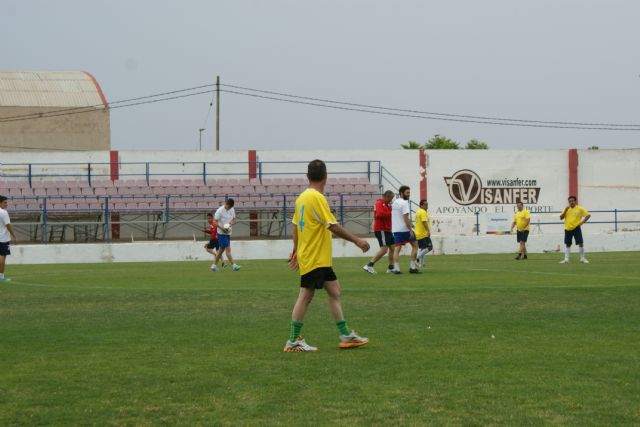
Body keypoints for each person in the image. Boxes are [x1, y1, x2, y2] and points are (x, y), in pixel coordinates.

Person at [284, 159, 370, 352]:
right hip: (315, 256)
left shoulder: (301, 198)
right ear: (326, 177)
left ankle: (345, 335)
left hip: (315, 256)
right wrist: (357, 240)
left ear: (307, 176)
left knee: (334, 291)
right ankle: (293, 340)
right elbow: (332, 225)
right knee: (306, 295)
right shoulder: (317, 198)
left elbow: (295, 225)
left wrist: (296, 250)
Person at [363, 190, 396, 274]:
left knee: (392, 247)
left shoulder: (386, 204)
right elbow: (379, 215)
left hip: (387, 229)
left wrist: (389, 210)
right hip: (381, 229)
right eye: (391, 198)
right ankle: (369, 265)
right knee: (384, 249)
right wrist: (390, 212)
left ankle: (391, 267)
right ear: (386, 196)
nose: (391, 200)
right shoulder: (379, 203)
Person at [391, 185, 419, 274]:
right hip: (405, 230)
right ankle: (412, 267)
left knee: (397, 249)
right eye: (407, 193)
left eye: (409, 193)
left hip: (396, 229)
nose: (409, 194)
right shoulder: (404, 203)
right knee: (415, 246)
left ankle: (397, 269)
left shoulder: (395, 202)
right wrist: (410, 229)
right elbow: (405, 218)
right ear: (401, 193)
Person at [211, 199, 241, 272]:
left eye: (231, 207)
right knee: (228, 249)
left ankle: (213, 266)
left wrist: (229, 224)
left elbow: (234, 219)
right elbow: (214, 222)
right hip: (221, 234)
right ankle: (234, 265)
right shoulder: (219, 211)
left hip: (228, 233)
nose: (229, 208)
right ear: (226, 204)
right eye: (229, 207)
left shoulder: (232, 209)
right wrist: (222, 228)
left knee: (221, 251)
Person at [559, 196, 591, 264]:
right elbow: (561, 218)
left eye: (572, 201)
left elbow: (588, 215)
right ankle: (566, 259)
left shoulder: (579, 208)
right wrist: (565, 210)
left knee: (580, 243)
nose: (571, 202)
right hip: (567, 228)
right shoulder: (566, 209)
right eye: (570, 201)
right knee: (568, 244)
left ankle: (582, 258)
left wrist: (582, 222)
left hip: (576, 228)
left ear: (575, 201)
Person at [0, 195, 17, 283]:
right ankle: (1, 276)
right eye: (5, 202)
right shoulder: (3, 212)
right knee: (2, 256)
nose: (6, 204)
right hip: (3, 238)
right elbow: (8, 225)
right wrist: (13, 235)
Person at [414, 200, 433, 267]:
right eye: (425, 204)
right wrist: (428, 231)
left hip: (418, 233)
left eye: (427, 204)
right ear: (421, 205)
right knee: (429, 247)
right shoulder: (423, 212)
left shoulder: (418, 212)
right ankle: (415, 259)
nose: (427, 206)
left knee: (423, 248)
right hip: (422, 234)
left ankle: (422, 263)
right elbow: (424, 222)